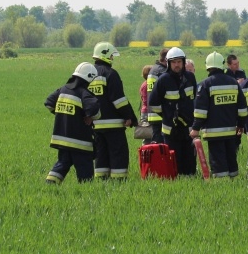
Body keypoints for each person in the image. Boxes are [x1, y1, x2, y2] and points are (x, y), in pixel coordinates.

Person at [191, 52, 247, 178]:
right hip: (232, 130)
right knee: (231, 156)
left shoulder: (205, 84)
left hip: (213, 132)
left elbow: (201, 111)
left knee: (217, 159)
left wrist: (195, 128)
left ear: (208, 66)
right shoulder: (233, 83)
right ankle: (234, 180)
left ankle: (221, 183)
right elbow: (242, 108)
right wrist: (241, 125)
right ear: (223, 65)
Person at [44, 63, 101, 184]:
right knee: (85, 172)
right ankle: (86, 192)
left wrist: (62, 114)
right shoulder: (83, 93)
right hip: (80, 142)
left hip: (62, 139)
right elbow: (95, 110)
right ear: (89, 78)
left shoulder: (63, 89)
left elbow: (48, 103)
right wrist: (89, 117)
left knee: (62, 164)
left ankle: (49, 184)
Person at [90, 42, 138, 180]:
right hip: (114, 125)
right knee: (118, 153)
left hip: (95, 125)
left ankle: (101, 179)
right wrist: (131, 117)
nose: (112, 58)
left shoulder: (89, 74)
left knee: (101, 154)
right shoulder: (111, 74)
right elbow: (119, 100)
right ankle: (119, 180)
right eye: (111, 56)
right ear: (105, 55)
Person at [148, 47, 197, 176]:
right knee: (174, 162)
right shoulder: (163, 79)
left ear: (183, 62)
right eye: (174, 62)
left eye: (179, 62)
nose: (177, 65)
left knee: (190, 161)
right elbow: (152, 103)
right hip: (171, 129)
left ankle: (190, 180)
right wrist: (166, 115)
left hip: (188, 128)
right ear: (169, 63)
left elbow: (194, 99)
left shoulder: (190, 78)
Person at [146, 48, 169, 143]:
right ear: (167, 59)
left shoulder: (153, 70)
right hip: (161, 114)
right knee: (163, 147)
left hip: (152, 114)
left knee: (157, 145)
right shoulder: (162, 72)